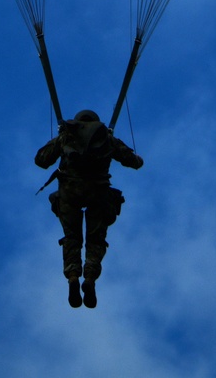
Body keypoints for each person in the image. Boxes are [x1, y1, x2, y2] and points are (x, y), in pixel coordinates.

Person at [35, 109, 143, 308]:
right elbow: (135, 162)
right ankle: (90, 279)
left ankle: (73, 277)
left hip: (70, 191)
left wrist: (60, 139)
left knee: (72, 237)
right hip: (98, 192)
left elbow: (41, 160)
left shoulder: (67, 135)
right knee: (96, 239)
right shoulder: (106, 137)